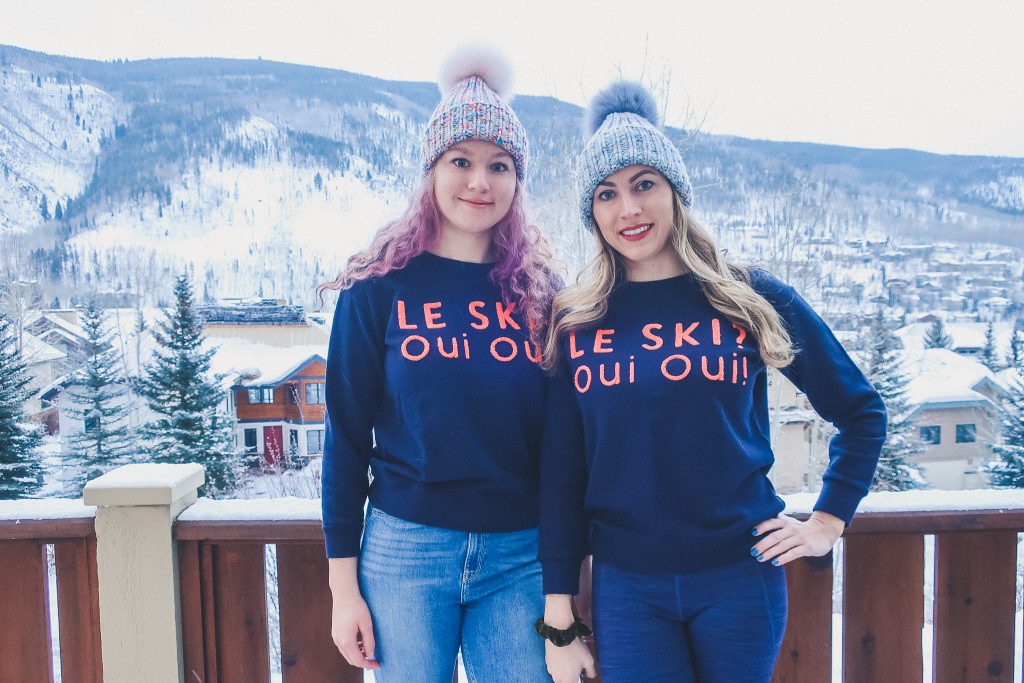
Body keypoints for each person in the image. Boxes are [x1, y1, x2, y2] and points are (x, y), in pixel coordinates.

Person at [536, 81, 887, 683]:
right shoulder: (578, 319)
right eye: (607, 193)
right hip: (629, 588)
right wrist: (560, 619)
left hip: (739, 578)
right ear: (591, 213)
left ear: (675, 190)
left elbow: (860, 411)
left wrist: (827, 521)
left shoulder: (749, 297)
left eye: (645, 184)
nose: (630, 209)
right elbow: (562, 476)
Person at [318, 46, 556, 682]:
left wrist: (568, 575)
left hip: (521, 556)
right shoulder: (378, 287)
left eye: (499, 165)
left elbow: (568, 444)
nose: (480, 181)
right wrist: (344, 590)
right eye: (462, 161)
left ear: (517, 179)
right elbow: (344, 436)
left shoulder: (542, 294)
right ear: (432, 169)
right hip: (405, 551)